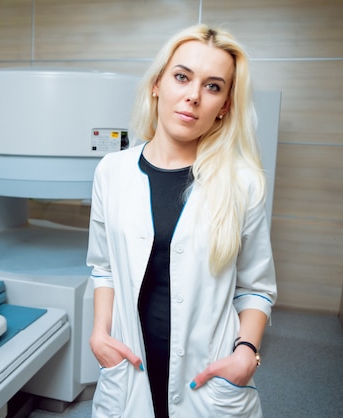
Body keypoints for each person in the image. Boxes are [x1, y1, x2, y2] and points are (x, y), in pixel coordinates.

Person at [86, 24, 278, 417]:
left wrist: (246, 354)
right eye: (182, 77)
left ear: (225, 105)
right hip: (129, 366)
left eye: (213, 86)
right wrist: (100, 333)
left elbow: (256, 288)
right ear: (158, 83)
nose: (193, 95)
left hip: (208, 378)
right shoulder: (112, 171)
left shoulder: (243, 183)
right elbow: (102, 267)